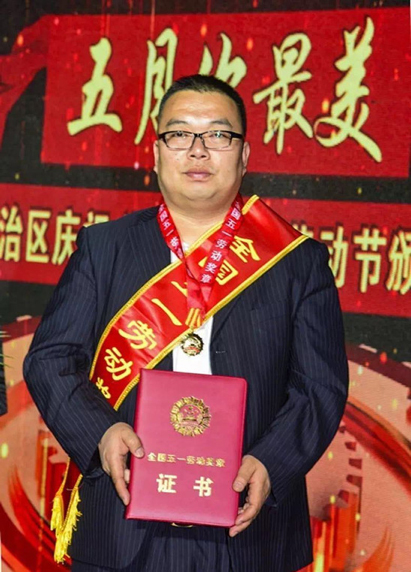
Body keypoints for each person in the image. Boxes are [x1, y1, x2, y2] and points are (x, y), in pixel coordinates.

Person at [24, 74, 348, 572]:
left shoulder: (296, 261)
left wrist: (271, 462)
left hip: (246, 529)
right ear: (156, 154)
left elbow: (319, 387)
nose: (198, 150)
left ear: (244, 155)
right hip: (122, 522)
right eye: (179, 134)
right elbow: (51, 360)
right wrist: (102, 433)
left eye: (218, 134)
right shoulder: (103, 248)